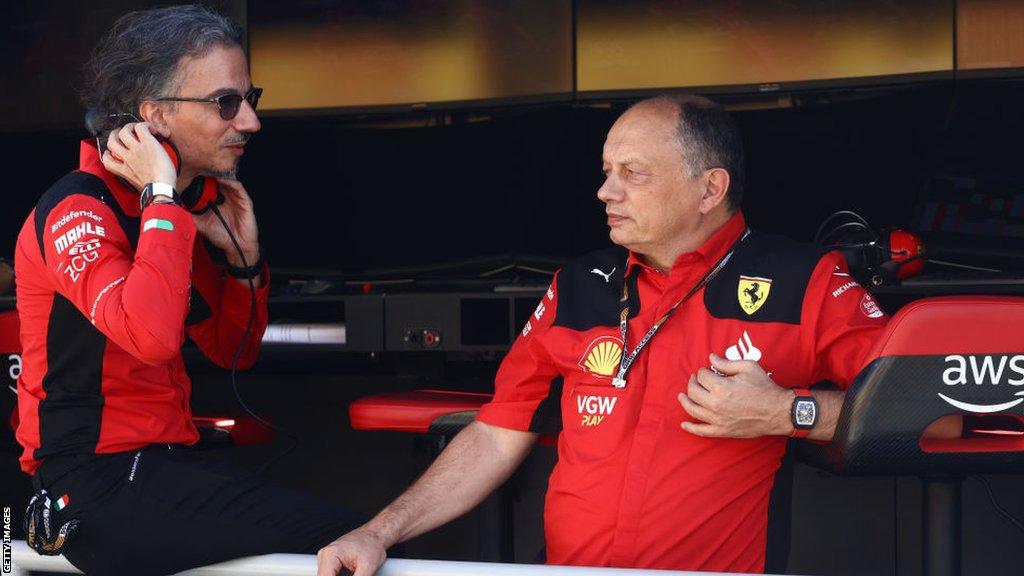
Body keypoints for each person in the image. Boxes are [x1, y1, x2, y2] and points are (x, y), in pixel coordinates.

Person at [317, 94, 895, 575]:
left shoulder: (806, 280)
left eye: (632, 174)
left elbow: (923, 411)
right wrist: (377, 533)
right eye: (605, 173)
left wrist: (786, 413)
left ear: (710, 188)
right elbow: (497, 432)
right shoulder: (578, 286)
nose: (605, 192)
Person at [14, 5, 359, 575]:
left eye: (251, 98)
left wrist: (245, 265)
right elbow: (149, 337)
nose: (250, 122)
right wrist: (163, 201)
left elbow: (233, 351)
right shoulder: (81, 209)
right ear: (155, 115)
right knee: (357, 541)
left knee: (356, 539)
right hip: (91, 485)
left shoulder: (175, 211)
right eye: (226, 102)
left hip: (165, 469)